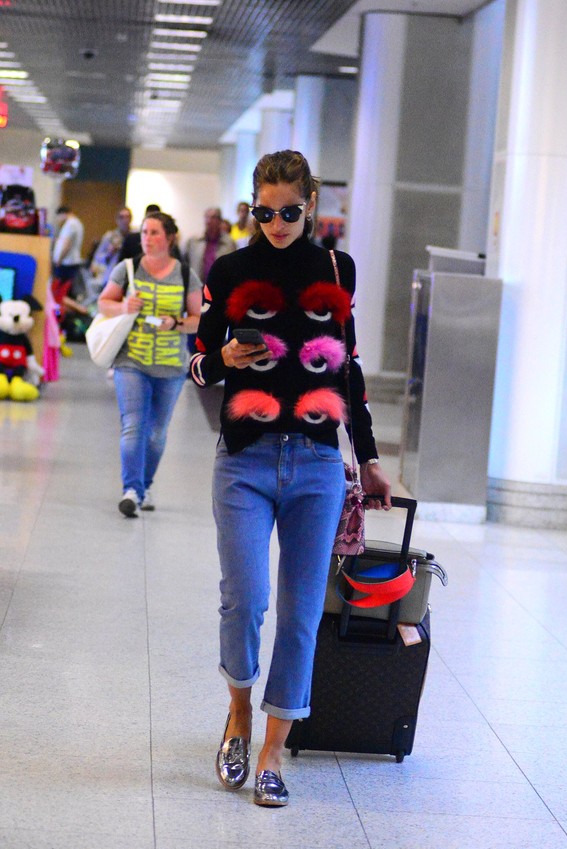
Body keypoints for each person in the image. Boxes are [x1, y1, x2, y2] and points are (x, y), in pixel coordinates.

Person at [189, 150, 391, 807]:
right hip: (244, 457)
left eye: (289, 210)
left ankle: (274, 751)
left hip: (314, 462)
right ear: (253, 206)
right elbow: (196, 366)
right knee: (245, 598)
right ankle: (240, 712)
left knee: (302, 614)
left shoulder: (337, 268)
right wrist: (218, 354)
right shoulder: (230, 268)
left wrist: (366, 455)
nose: (276, 223)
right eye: (264, 210)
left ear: (311, 206)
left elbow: (348, 370)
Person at [98, 211, 202, 517]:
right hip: (131, 360)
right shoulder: (127, 268)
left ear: (169, 238)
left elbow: (198, 320)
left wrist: (176, 323)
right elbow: (103, 303)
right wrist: (122, 306)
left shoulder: (185, 275)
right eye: (144, 232)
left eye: (154, 232)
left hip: (171, 366)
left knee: (156, 432)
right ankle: (131, 490)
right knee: (133, 425)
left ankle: (144, 484)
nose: (147, 238)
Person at [84, 207, 134, 305]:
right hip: (112, 275)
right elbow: (98, 258)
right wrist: (109, 253)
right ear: (117, 220)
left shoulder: (135, 236)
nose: (125, 220)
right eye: (121, 217)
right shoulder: (110, 236)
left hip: (131, 276)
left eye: (127, 217)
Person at [184, 207, 236, 284]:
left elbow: (234, 267)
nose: (209, 221)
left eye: (213, 217)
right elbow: (185, 263)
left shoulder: (229, 243)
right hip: (197, 286)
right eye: (207, 217)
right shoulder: (194, 241)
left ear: (219, 221)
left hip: (220, 286)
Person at [52, 206, 84, 284]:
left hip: (66, 262)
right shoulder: (75, 223)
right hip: (69, 261)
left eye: (58, 217)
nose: (58, 219)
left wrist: (59, 259)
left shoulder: (71, 224)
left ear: (63, 214)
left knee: (61, 290)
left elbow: (67, 244)